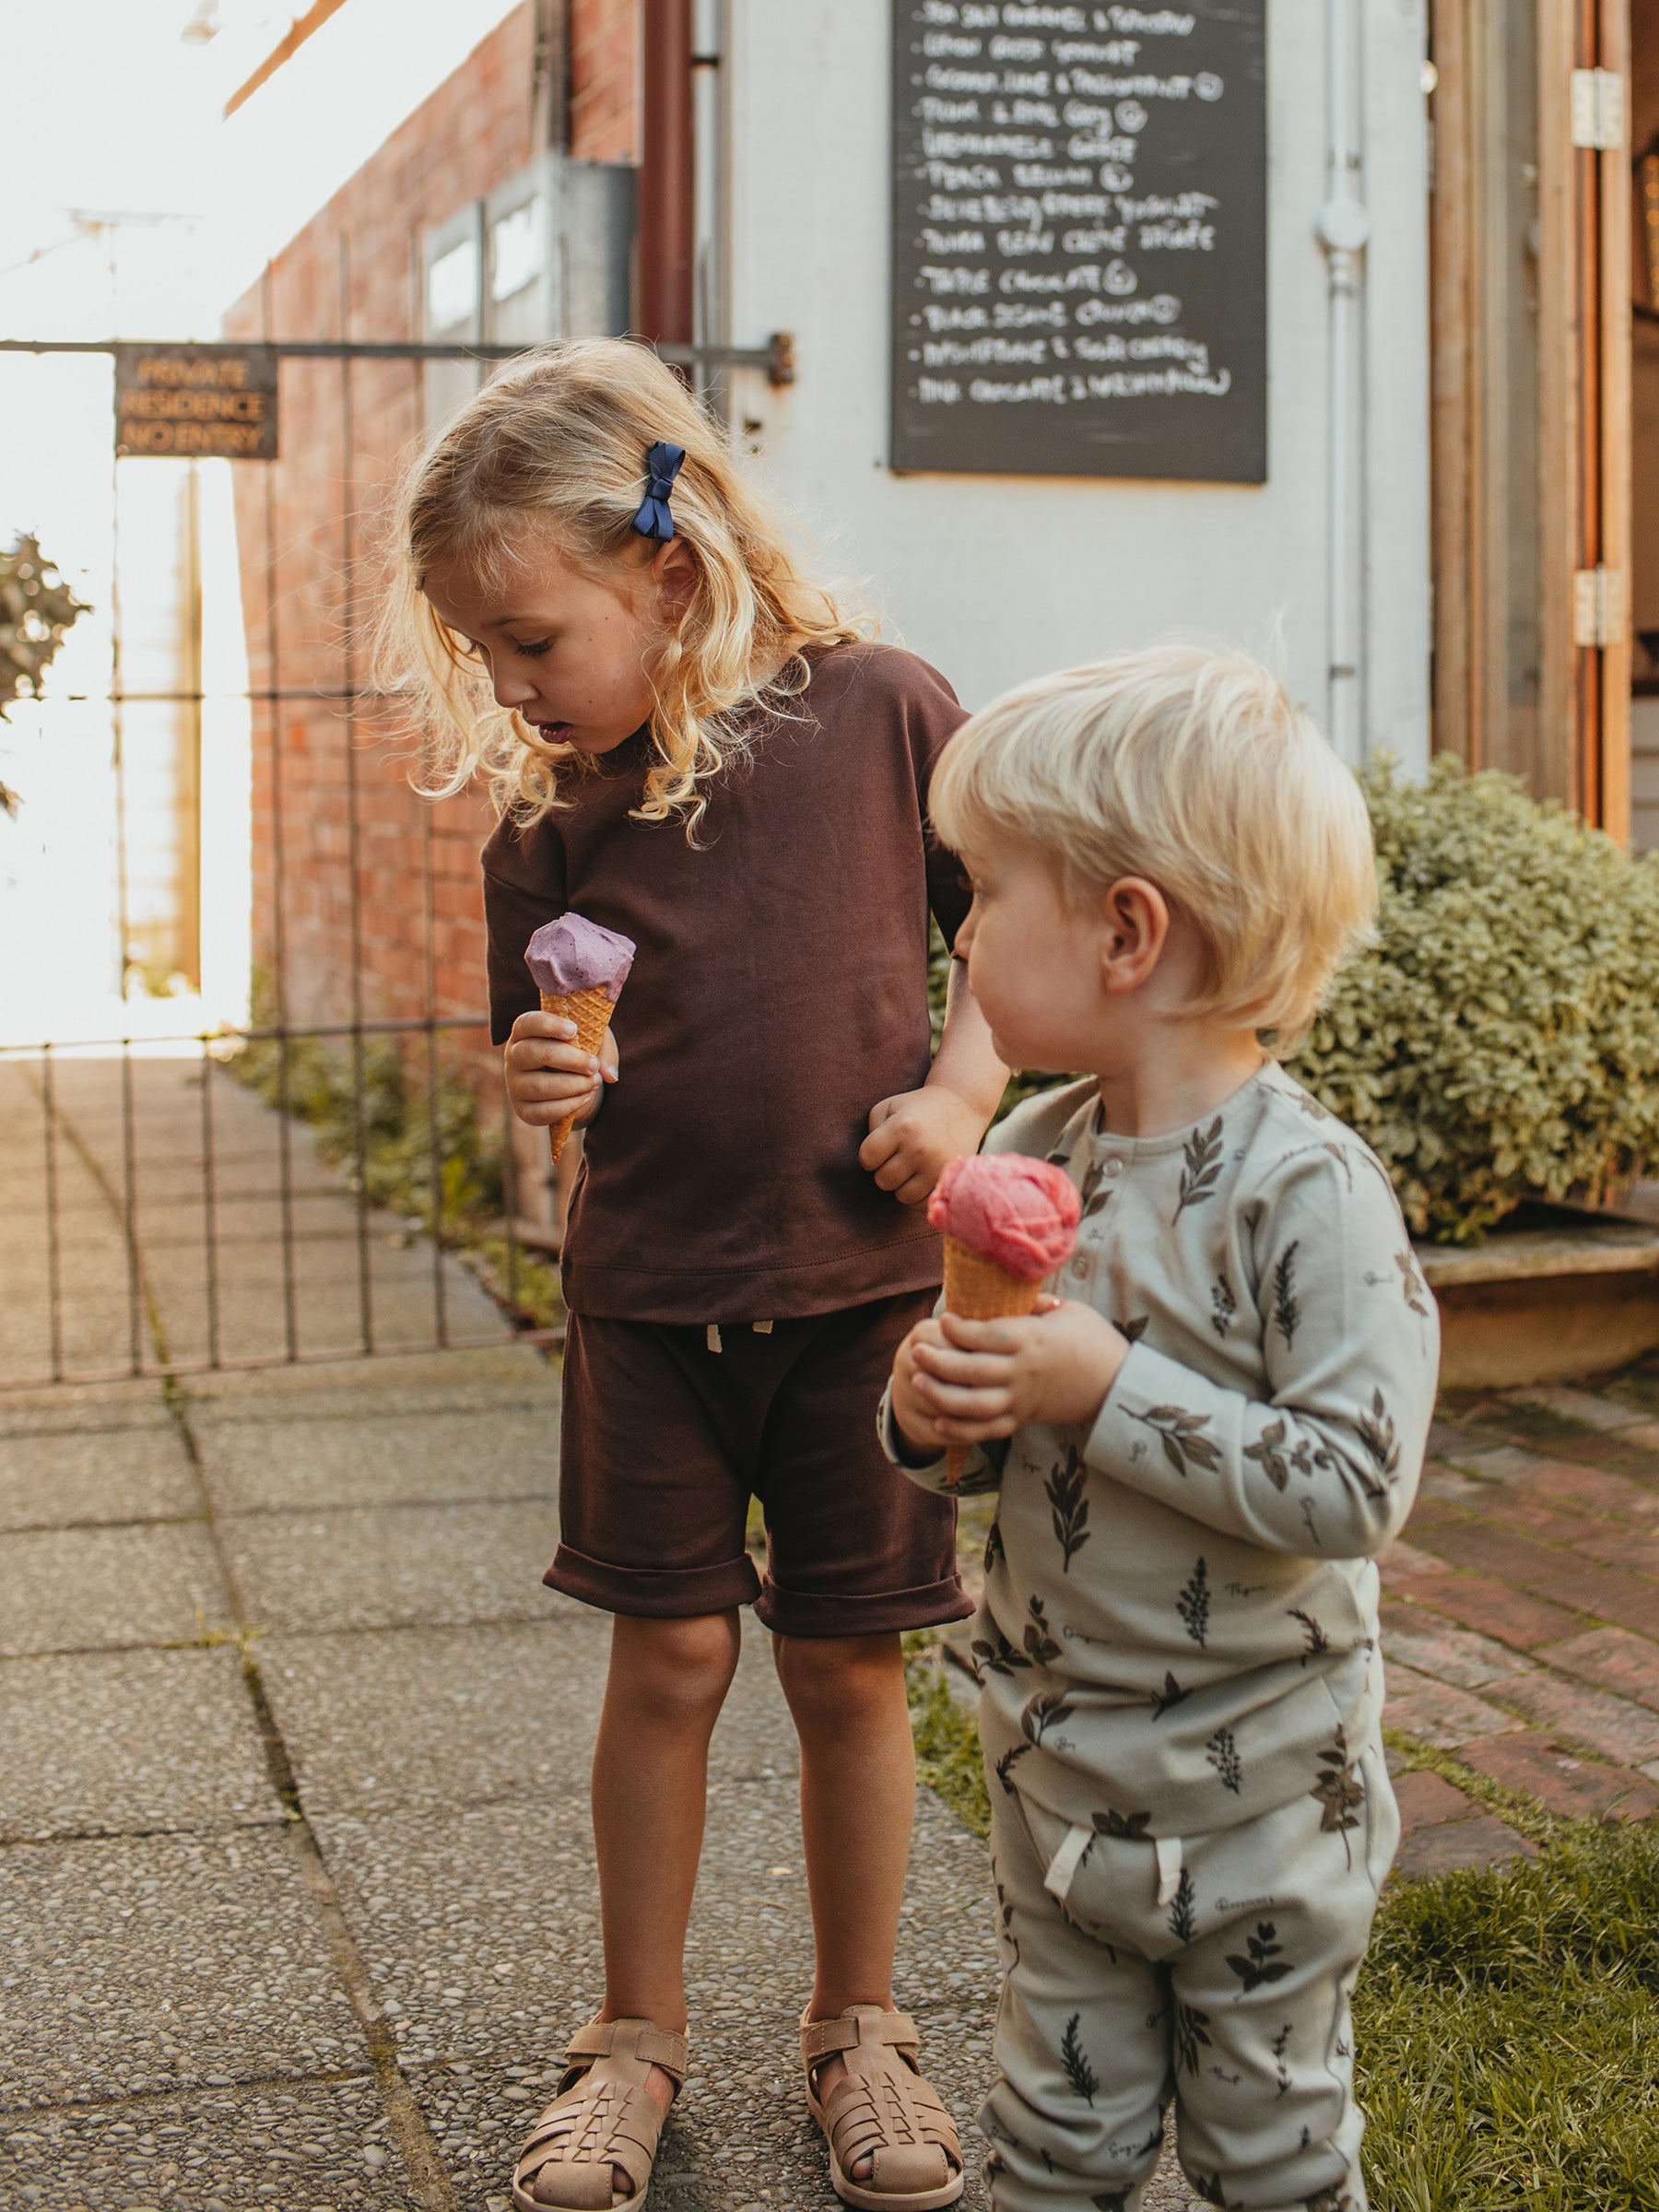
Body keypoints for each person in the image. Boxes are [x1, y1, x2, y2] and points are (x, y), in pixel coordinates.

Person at [380, 338, 1007, 2212]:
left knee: (847, 1669)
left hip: (863, 1296)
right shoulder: (544, 825)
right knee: (664, 1659)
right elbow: (540, 1074)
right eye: (478, 651)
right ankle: (632, 2037)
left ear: (666, 572)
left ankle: (862, 2029)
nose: (506, 684)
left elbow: (1016, 935)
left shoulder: (890, 713)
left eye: (528, 638)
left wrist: (965, 1095)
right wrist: (538, 1080)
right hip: (648, 1301)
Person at [883, 649, 1439, 2212]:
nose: (963, 932)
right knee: (1052, 2149)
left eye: (985, 893)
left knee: (1270, 2157)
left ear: (1127, 931)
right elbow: (993, 1437)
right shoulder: (1037, 1145)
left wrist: (1101, 1383)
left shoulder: (1304, 1195)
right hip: (1057, 1780)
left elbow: (1351, 1485)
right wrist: (934, 1407)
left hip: (1263, 1805)